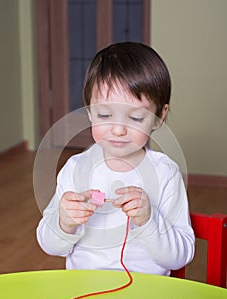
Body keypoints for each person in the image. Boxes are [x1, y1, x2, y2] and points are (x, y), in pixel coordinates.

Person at [36, 42, 195, 275]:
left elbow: (181, 256)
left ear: (159, 117)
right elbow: (49, 245)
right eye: (105, 114)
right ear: (89, 111)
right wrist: (64, 223)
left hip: (147, 296)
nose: (118, 129)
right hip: (85, 294)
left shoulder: (165, 173)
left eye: (136, 117)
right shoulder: (76, 169)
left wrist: (149, 221)